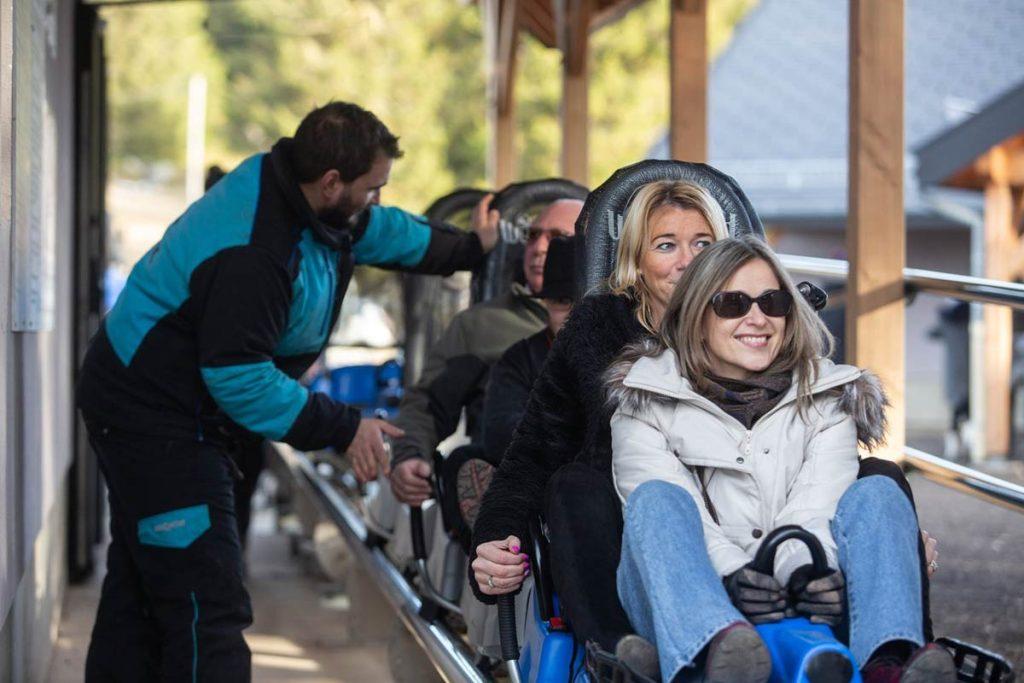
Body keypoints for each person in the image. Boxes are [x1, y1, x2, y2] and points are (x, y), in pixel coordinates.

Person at [76, 101, 497, 681]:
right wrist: (345, 427)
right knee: (208, 605)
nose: (376, 200)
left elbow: (385, 230)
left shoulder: (306, 200)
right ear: (331, 183)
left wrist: (471, 249)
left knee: (145, 585)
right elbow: (237, 377)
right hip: (154, 415)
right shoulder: (255, 251)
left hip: (177, 405)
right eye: (371, 189)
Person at [468, 179, 938, 679]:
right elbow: (535, 449)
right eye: (666, 245)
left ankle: (897, 655)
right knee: (582, 486)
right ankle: (620, 652)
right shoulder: (614, 350)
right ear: (636, 262)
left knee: (880, 480)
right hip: (641, 531)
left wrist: (881, 538)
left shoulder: (774, 335)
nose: (688, 261)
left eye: (704, 246)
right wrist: (498, 537)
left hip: (781, 527)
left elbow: (820, 464)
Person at [606, 236, 954, 683]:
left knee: (879, 491)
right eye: (732, 303)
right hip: (687, 600)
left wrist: (806, 576)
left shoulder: (829, 398)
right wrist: (733, 578)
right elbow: (675, 515)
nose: (758, 318)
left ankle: (889, 660)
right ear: (695, 315)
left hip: (797, 596)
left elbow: (817, 505)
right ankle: (714, 655)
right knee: (655, 499)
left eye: (773, 302)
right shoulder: (644, 403)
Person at [388, 199, 583, 505]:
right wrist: (409, 454)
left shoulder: (621, 317)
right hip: (508, 469)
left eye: (557, 237)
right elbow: (428, 404)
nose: (540, 248)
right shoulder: (479, 324)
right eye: (533, 236)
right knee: (464, 465)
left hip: (596, 474)